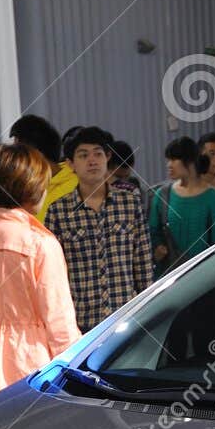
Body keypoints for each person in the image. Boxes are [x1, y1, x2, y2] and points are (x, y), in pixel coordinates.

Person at [0, 143, 81, 400]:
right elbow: (59, 324)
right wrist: (76, 376)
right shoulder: (41, 243)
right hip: (37, 362)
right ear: (32, 188)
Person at [46, 126, 153, 334]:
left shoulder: (130, 203)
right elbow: (53, 275)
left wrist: (147, 313)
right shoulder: (57, 212)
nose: (92, 161)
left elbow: (143, 263)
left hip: (127, 318)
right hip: (80, 324)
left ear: (108, 157)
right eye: (83, 155)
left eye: (98, 153)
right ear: (71, 164)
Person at [148, 137, 215, 277]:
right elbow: (151, 232)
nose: (169, 165)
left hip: (202, 279)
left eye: (174, 159)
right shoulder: (162, 195)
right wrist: (157, 247)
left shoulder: (214, 198)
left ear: (190, 161)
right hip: (166, 278)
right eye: (168, 160)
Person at [8, 114, 72, 223]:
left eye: (20, 157)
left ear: (36, 154)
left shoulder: (77, 186)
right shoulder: (25, 189)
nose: (16, 163)